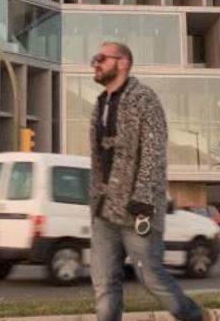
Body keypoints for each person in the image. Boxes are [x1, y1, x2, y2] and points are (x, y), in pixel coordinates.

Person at [87, 42, 203, 321]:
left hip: (136, 209)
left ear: (123, 63)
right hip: (104, 211)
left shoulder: (144, 99)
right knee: (104, 284)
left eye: (101, 58)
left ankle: (197, 318)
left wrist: (143, 200)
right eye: (95, 58)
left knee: (151, 276)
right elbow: (98, 158)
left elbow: (153, 151)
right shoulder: (100, 103)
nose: (95, 63)